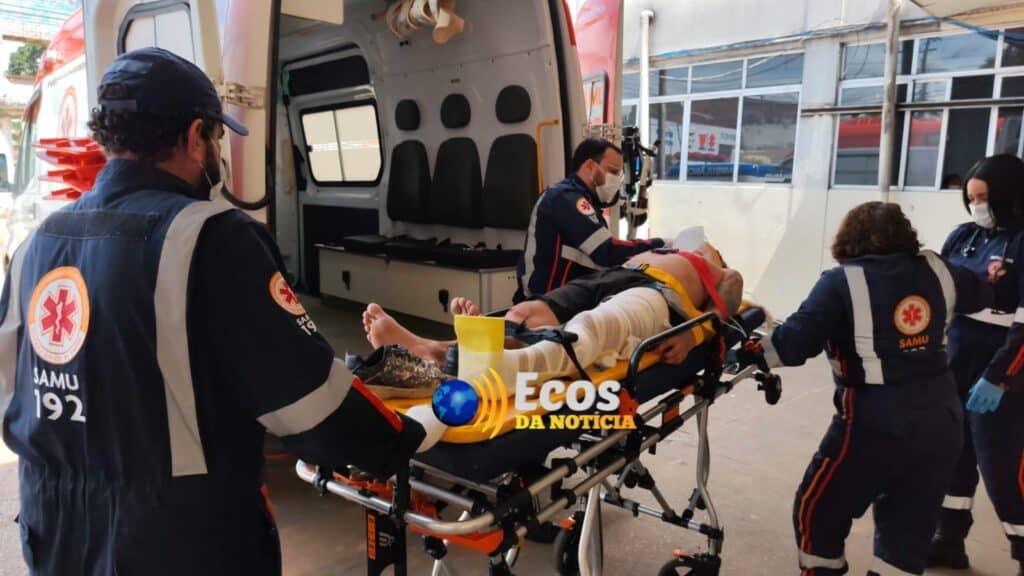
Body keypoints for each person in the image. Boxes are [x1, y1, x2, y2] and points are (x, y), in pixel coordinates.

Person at [0, 48, 425, 576]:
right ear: (195, 135)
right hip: (177, 544)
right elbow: (313, 404)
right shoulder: (212, 238)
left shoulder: (35, 245)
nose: (218, 154)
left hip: (53, 533)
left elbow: (16, 394)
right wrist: (402, 438)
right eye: (218, 138)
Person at [750, 202, 991, 575]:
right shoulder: (937, 268)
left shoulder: (840, 282)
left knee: (819, 510)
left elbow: (791, 345)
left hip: (874, 420)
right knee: (909, 527)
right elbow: (983, 294)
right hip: (941, 419)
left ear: (847, 239)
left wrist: (747, 352)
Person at [362, 242, 743, 392]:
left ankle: (487, 366)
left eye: (707, 247)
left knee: (591, 329)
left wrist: (696, 334)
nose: (699, 245)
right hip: (611, 277)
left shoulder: (714, 268)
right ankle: (435, 349)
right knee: (524, 313)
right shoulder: (665, 247)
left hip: (660, 293)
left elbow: (733, 289)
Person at [930, 154, 1024, 575]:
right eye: (971, 198)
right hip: (957, 361)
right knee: (952, 455)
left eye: (984, 197)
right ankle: (948, 540)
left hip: (1004, 372)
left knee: (1003, 468)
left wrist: (1000, 376)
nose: (976, 206)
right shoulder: (963, 236)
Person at [517, 138, 668, 301]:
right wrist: (659, 244)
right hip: (545, 300)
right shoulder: (565, 198)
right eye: (613, 172)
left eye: (619, 175)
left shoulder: (586, 201)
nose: (616, 181)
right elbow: (606, 251)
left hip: (565, 296)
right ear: (590, 167)